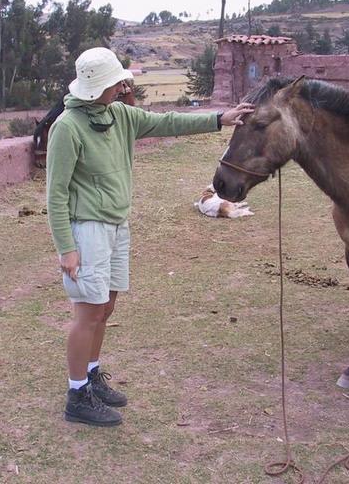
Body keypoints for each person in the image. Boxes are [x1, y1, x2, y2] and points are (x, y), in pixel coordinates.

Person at [46, 47, 253, 427]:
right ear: (95, 88)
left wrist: (219, 119)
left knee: (106, 307)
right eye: (115, 82)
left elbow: (167, 122)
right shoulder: (67, 127)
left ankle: (91, 375)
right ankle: (77, 395)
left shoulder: (118, 114)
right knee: (87, 313)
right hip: (87, 229)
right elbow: (55, 193)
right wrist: (66, 248)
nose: (123, 85)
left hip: (116, 226)